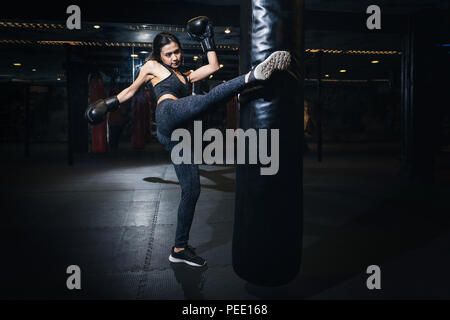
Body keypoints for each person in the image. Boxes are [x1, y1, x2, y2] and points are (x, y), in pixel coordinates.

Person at [85, 16, 292, 267]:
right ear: (159, 55)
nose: (174, 57)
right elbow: (131, 90)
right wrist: (107, 104)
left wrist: (207, 40)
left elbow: (213, 66)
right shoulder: (151, 67)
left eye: (177, 52)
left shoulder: (185, 75)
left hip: (177, 135)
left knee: (192, 189)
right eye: (168, 54)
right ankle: (253, 76)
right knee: (209, 98)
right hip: (167, 114)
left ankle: (179, 248)